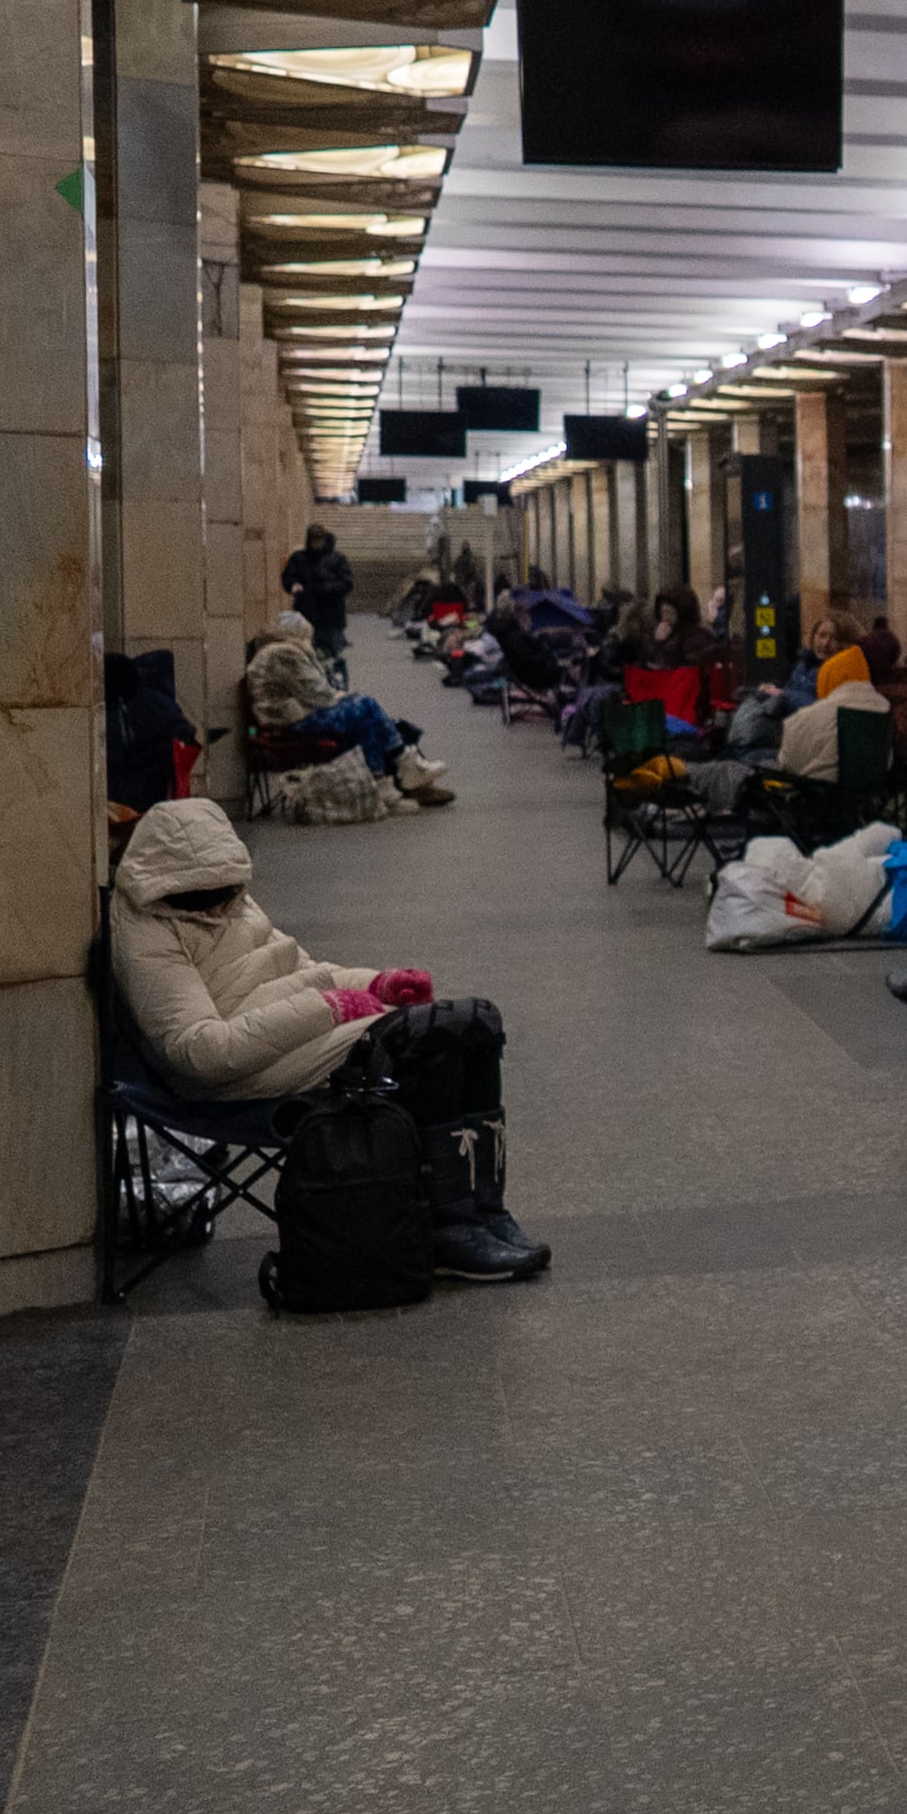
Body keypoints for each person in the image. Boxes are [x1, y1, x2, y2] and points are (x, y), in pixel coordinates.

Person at [109, 800, 547, 1279]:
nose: (218, 902)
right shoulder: (148, 935)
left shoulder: (232, 901)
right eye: (205, 892)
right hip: (240, 1074)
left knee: (477, 1025)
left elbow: (305, 970)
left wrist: (374, 984)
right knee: (428, 1040)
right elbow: (203, 1052)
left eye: (226, 888)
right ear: (169, 884)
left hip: (284, 1038)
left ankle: (486, 1211)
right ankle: (449, 1229)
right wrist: (327, 1010)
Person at [246, 617, 453, 806]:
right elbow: (320, 697)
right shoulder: (284, 653)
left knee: (365, 712)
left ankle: (394, 777)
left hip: (284, 724)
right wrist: (342, 696)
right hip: (288, 727)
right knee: (365, 708)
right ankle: (399, 771)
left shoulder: (274, 652)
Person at [774, 662, 890, 784]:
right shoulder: (882, 707)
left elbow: (788, 763)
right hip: (867, 785)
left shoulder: (806, 718)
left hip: (819, 790)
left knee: (758, 756)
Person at [279, 526, 354, 657]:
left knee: (332, 656)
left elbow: (346, 583)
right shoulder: (299, 558)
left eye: (319, 540)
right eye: (314, 540)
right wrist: (293, 584)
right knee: (306, 655)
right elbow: (288, 577)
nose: (316, 544)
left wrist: (324, 588)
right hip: (306, 614)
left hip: (331, 616)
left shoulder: (337, 559)